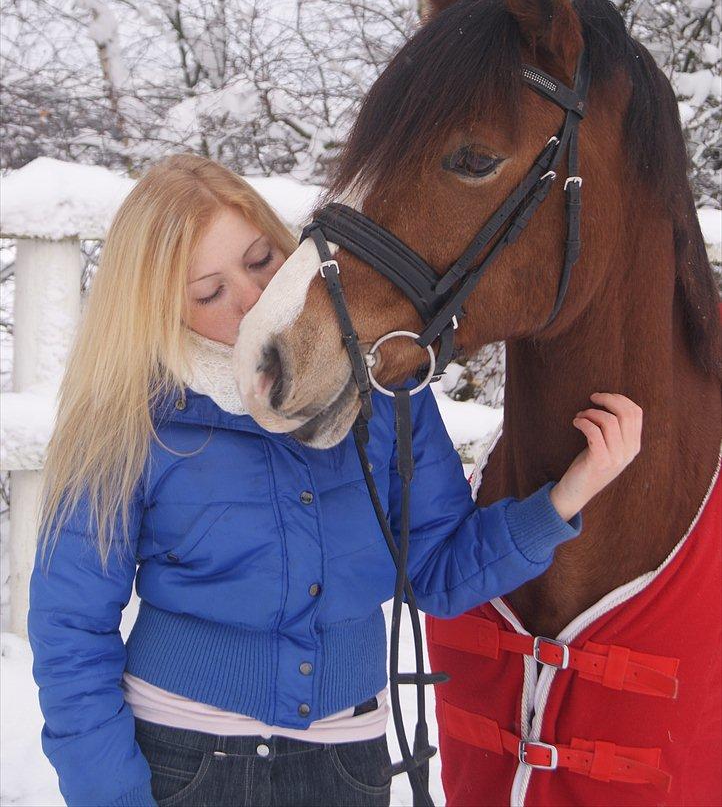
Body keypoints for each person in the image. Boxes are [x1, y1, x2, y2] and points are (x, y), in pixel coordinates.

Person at [28, 153, 643, 807]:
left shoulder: (385, 384)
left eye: (261, 260)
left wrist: (565, 497)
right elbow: (70, 635)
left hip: (349, 766)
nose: (253, 298)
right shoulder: (132, 418)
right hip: (186, 763)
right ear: (158, 309)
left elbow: (436, 569)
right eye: (210, 293)